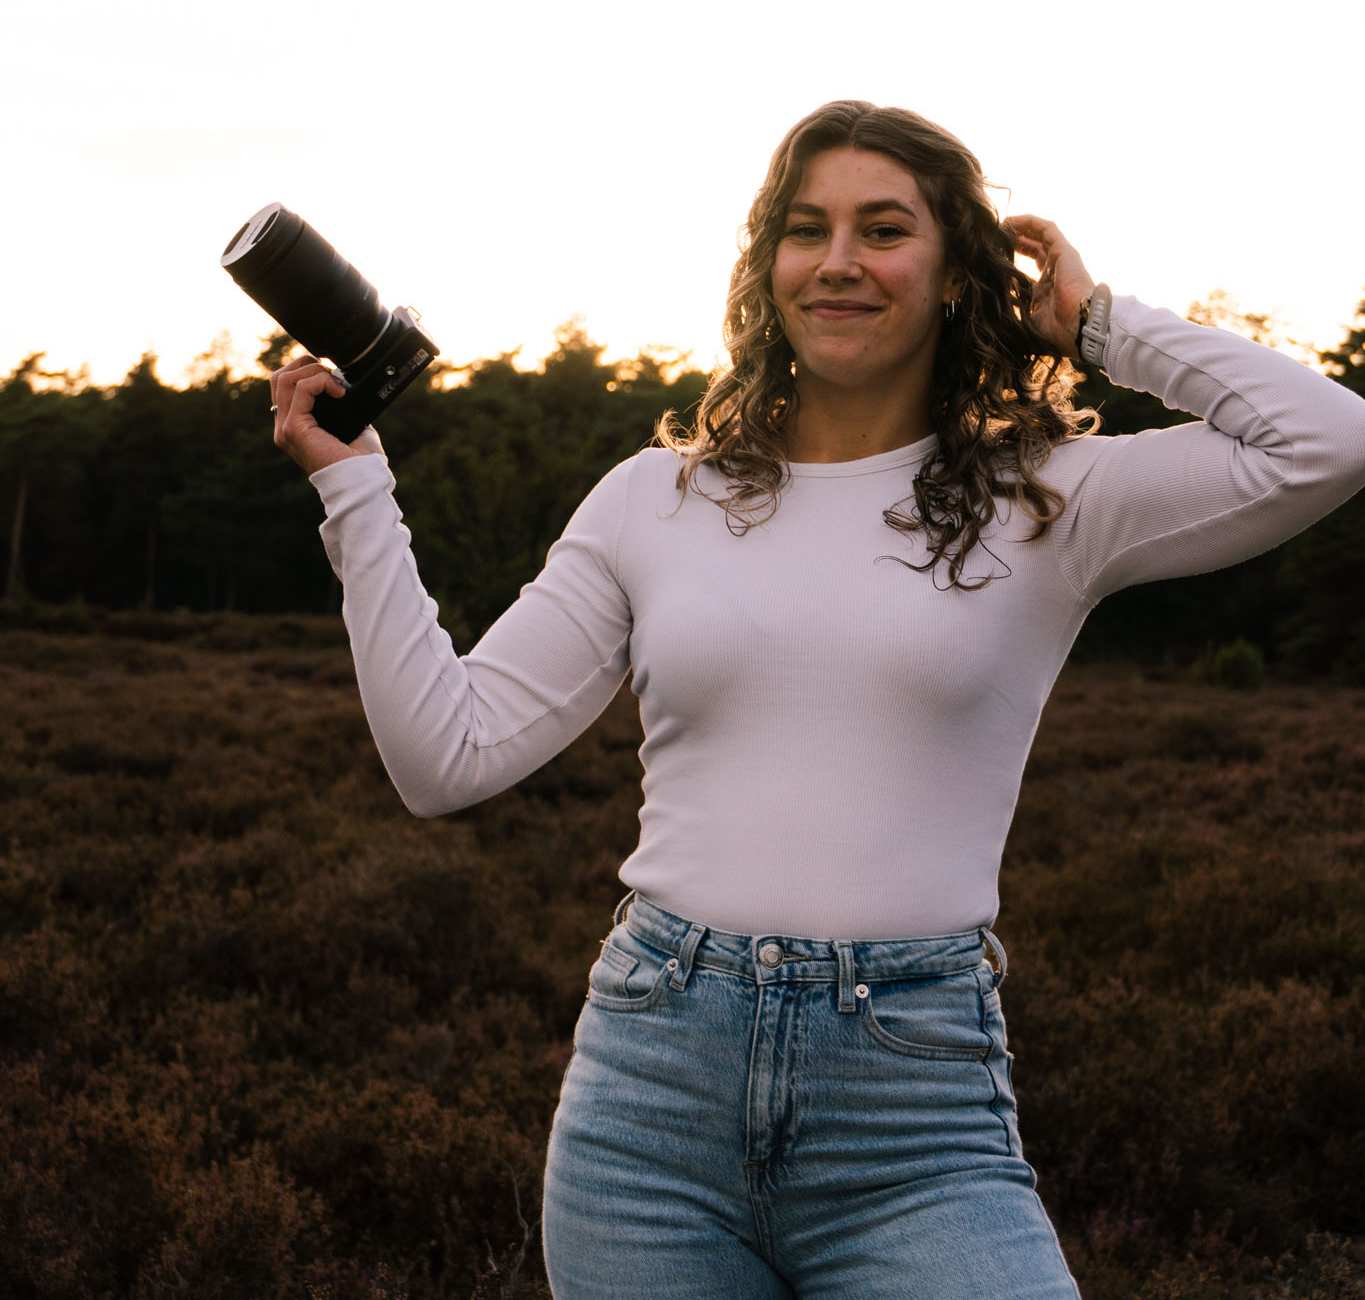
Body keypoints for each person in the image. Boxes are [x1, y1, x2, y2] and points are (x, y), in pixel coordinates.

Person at [269, 100, 1365, 1300]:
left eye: (884, 227)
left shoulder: (1051, 494)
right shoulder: (652, 498)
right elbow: (448, 753)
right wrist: (359, 495)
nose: (838, 258)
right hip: (650, 1103)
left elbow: (1326, 441)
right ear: (768, 266)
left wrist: (1097, 322)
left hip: (915, 1115)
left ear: (957, 271)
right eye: (806, 228)